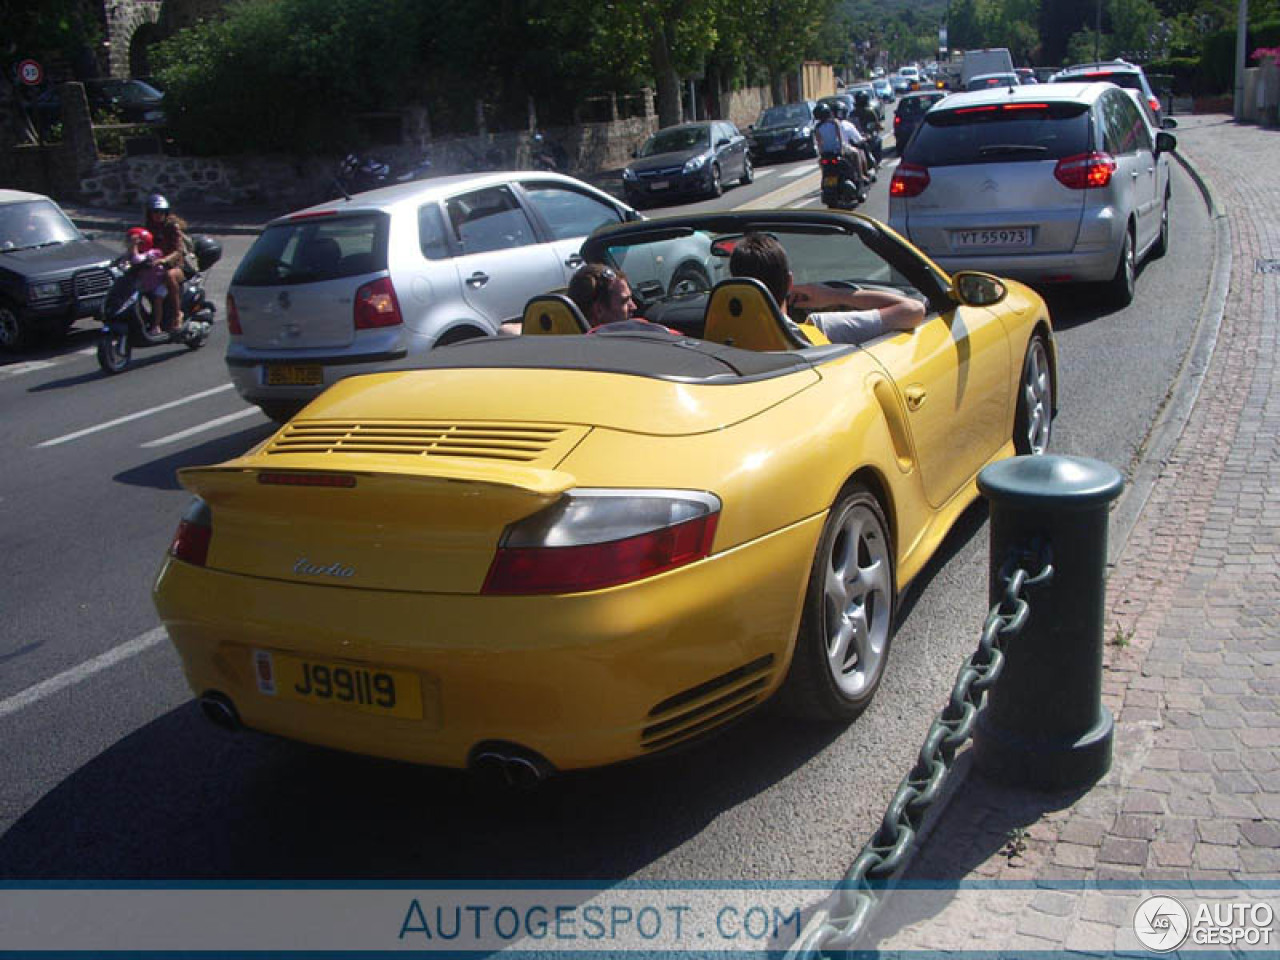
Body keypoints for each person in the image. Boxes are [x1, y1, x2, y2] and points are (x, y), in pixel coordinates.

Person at [728, 232, 925, 344]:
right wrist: (834, 295)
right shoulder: (818, 329)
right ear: (789, 283)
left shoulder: (718, 339)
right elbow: (913, 310)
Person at [566, 263, 676, 334]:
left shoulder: (560, 346)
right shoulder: (642, 334)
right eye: (624, 301)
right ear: (599, 310)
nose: (634, 306)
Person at [143, 194, 190, 332]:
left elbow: (178, 251)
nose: (158, 215)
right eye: (155, 212)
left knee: (169, 276)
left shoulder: (172, 227)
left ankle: (177, 314)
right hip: (155, 267)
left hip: (176, 266)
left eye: (161, 212)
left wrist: (164, 260)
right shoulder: (148, 228)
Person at [813, 101, 868, 194]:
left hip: (827, 153)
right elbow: (839, 137)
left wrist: (821, 153)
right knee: (856, 153)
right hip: (837, 150)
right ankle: (860, 176)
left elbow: (819, 143)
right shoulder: (834, 123)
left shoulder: (818, 127)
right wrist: (841, 149)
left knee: (822, 163)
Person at [124, 226, 167, 335]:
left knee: (157, 300)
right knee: (132, 300)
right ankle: (143, 320)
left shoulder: (153, 253)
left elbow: (137, 260)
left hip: (157, 284)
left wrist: (134, 246)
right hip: (144, 285)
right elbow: (123, 260)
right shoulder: (133, 253)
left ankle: (156, 325)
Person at [852, 90, 883, 170]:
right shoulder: (869, 111)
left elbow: (876, 124)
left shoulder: (853, 112)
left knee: (877, 140)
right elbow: (877, 124)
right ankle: (877, 162)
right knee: (878, 140)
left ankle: (874, 161)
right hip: (862, 136)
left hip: (860, 136)